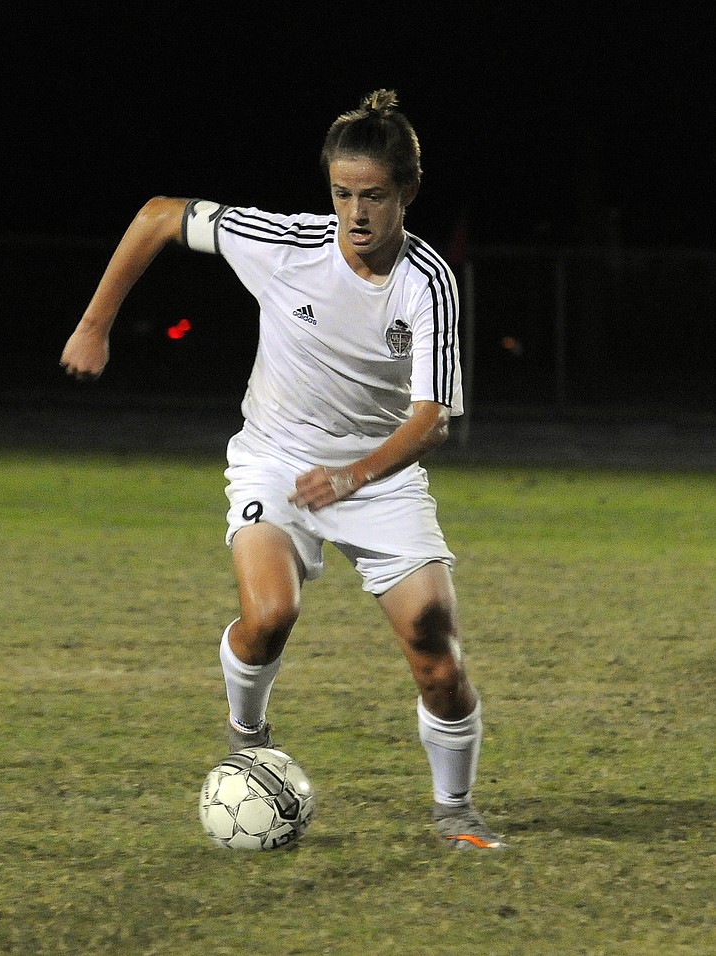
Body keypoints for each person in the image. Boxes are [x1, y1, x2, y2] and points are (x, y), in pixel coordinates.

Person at [60, 90, 505, 850]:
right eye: (341, 194)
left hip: (379, 475)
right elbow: (160, 214)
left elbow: (433, 419)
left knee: (435, 645)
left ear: (408, 192)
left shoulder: (428, 283)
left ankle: (454, 813)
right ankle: (248, 734)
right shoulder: (288, 244)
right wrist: (95, 323)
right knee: (268, 617)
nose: (355, 213)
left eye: (373, 196)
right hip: (275, 461)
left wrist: (354, 477)